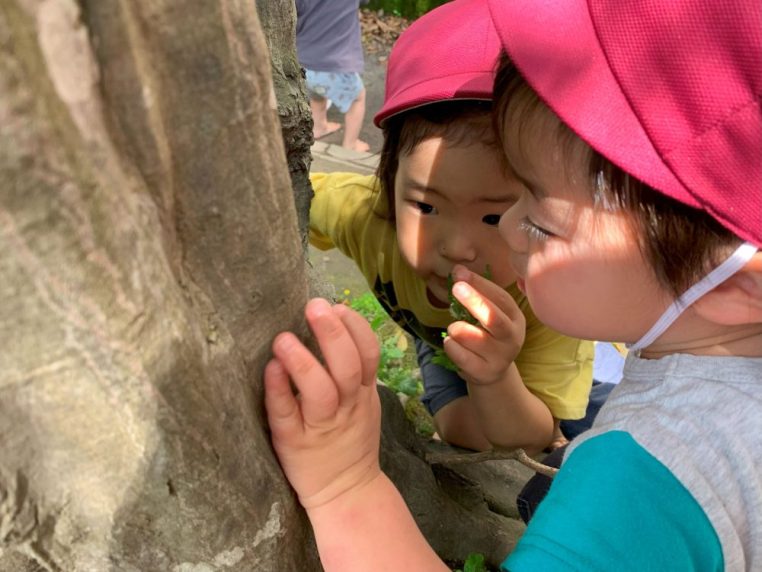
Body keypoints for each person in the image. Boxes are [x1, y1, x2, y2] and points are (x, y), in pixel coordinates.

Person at [264, 0, 762, 570]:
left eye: (539, 219)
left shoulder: (644, 480)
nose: (492, 238)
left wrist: (345, 487)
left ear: (733, 288)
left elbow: (533, 436)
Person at [308, 0, 594, 455]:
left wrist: (497, 375)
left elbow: (531, 436)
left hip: (522, 372)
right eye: (425, 205)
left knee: (527, 442)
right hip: (436, 339)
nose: (457, 248)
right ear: (389, 180)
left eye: (493, 217)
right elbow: (296, 195)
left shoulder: (554, 292)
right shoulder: (365, 215)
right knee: (462, 428)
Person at [295, 0, 370, 152]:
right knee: (357, 98)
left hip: (303, 63)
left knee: (316, 93)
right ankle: (351, 144)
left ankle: (319, 127)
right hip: (334, 64)